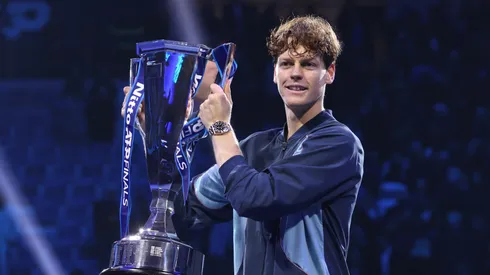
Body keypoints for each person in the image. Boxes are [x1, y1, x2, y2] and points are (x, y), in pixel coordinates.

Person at [122, 15, 364, 275]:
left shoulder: (338, 144)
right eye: (286, 63)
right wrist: (157, 136)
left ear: (329, 73)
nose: (295, 72)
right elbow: (183, 212)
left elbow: (257, 198)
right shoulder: (252, 148)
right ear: (274, 73)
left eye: (307, 64)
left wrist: (219, 127)